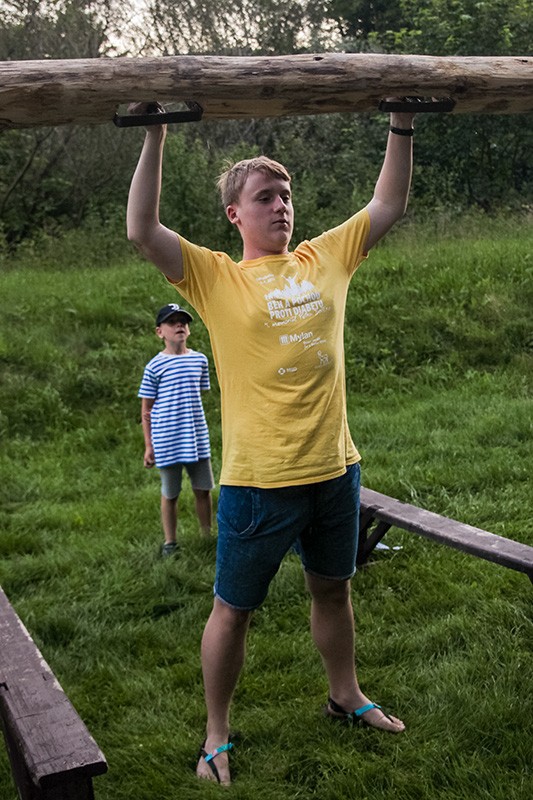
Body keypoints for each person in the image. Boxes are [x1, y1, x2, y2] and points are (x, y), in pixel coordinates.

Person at [127, 101, 415, 784]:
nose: (280, 205)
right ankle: (215, 736)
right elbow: (142, 229)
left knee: (332, 590)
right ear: (235, 214)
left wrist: (401, 123)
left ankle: (345, 695)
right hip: (260, 481)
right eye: (264, 197)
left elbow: (388, 203)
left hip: (334, 469)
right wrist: (155, 133)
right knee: (233, 611)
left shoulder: (325, 257)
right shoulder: (215, 277)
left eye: (285, 194)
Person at [138, 303, 214, 555]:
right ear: (160, 332)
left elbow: (198, 394)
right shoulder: (154, 367)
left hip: (196, 437)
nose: (179, 325)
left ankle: (207, 537)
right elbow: (146, 409)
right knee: (170, 493)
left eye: (183, 321)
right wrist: (149, 445)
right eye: (172, 322)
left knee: (203, 489)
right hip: (167, 439)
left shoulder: (199, 360)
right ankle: (170, 542)